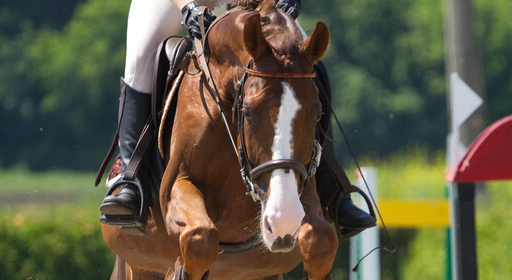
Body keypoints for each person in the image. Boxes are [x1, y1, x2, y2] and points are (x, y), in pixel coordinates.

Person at [99, 0, 376, 238]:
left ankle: (332, 190)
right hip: (179, 3)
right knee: (142, 57)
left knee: (304, 63)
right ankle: (131, 178)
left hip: (253, 5)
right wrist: (188, 7)